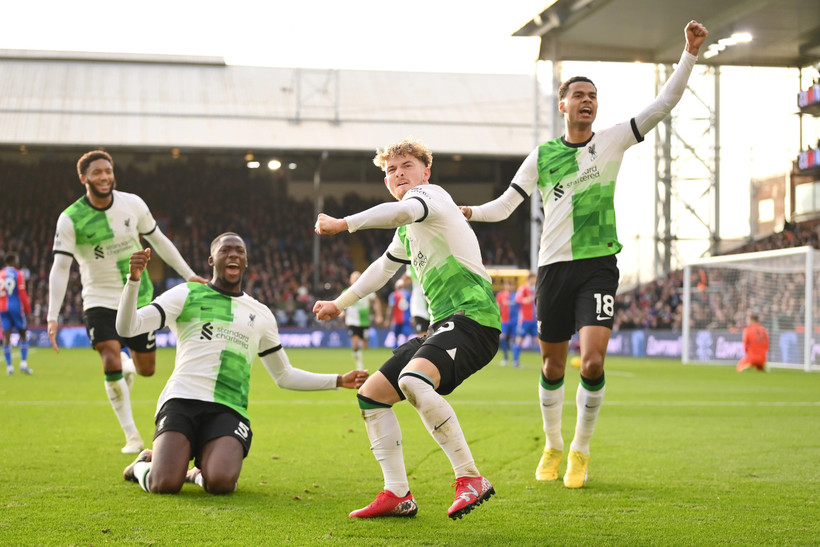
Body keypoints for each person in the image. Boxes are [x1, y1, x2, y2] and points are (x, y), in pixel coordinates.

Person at [461, 21, 708, 488]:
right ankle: (552, 444)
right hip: (552, 269)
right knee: (553, 366)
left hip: (598, 266)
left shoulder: (611, 140)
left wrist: (689, 54)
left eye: (592, 95)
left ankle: (580, 450)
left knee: (591, 363)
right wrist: (467, 210)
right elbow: (505, 206)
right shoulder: (542, 156)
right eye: (578, 94)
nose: (587, 100)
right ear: (563, 104)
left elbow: (664, 104)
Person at [313, 138, 501, 520]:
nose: (399, 174)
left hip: (474, 319)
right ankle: (397, 493)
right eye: (391, 171)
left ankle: (470, 478)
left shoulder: (429, 196)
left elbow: (400, 213)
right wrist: (339, 304)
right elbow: (382, 269)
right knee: (372, 394)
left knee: (414, 381)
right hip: (442, 325)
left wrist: (344, 224)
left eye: (406, 166)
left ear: (425, 172)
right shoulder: (410, 229)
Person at [117, 233, 368, 494]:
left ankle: (197, 474)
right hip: (182, 400)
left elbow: (284, 375)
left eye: (240, 251)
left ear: (246, 262)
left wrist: (338, 380)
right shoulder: (186, 294)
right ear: (212, 259)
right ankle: (140, 467)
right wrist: (133, 281)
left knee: (221, 484)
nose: (234, 255)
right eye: (226, 250)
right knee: (164, 484)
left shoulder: (261, 314)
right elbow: (127, 326)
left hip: (228, 408)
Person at [47, 150, 208, 454]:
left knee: (146, 370)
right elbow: (61, 267)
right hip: (98, 299)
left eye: (107, 170)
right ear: (84, 178)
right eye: (97, 173)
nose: (104, 177)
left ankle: (127, 364)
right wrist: (52, 314)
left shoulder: (132, 204)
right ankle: (132, 436)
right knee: (108, 357)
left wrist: (188, 274)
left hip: (138, 296)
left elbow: (159, 240)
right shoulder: (70, 219)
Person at [1, 253, 32, 375]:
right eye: (17, 261)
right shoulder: (18, 274)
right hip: (15, 307)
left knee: (6, 336)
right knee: (23, 333)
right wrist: (28, 309)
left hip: (2, 307)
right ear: (13, 262)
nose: (18, 263)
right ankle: (23, 363)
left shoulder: (0, 274)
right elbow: (22, 294)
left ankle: (9, 367)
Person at [343, 270, 381, 370]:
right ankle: (359, 364)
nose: (356, 280)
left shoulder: (367, 291)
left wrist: (378, 315)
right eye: (354, 278)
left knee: (365, 346)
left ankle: (364, 363)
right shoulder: (346, 292)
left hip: (364, 322)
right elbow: (341, 306)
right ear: (350, 280)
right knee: (355, 343)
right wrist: (341, 313)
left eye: (358, 278)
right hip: (352, 322)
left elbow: (376, 301)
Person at [511, 273, 537, 369]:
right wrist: (524, 300)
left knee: (539, 340)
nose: (535, 280)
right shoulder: (523, 288)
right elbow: (517, 298)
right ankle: (515, 361)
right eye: (534, 278)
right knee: (519, 340)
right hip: (524, 319)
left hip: (533, 319)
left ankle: (546, 363)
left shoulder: (533, 290)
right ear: (530, 279)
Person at [495, 278, 517, 367]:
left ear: (513, 286)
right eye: (507, 285)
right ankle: (505, 358)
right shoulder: (500, 295)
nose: (509, 287)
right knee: (502, 339)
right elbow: (497, 307)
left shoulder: (517, 295)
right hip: (504, 321)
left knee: (514, 341)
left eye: (510, 285)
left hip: (515, 321)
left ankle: (515, 360)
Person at [405, 266, 430, 335]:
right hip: (419, 308)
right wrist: (401, 282)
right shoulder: (411, 263)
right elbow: (407, 275)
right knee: (423, 337)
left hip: (436, 307)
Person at [387, 278, 411, 349]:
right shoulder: (409, 294)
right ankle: (407, 348)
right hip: (407, 318)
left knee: (396, 334)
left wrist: (388, 319)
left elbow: (391, 307)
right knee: (406, 334)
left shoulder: (394, 295)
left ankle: (396, 347)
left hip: (397, 318)